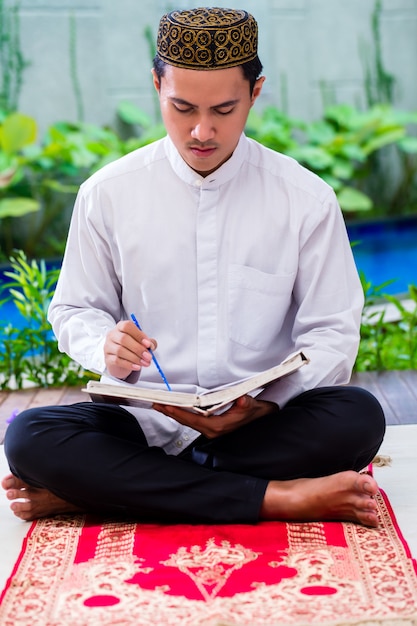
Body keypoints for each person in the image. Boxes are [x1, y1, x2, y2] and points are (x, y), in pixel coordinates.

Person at [2, 7, 385, 527]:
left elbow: (333, 332)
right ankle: (277, 498)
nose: (202, 131)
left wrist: (265, 407)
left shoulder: (305, 198)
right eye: (182, 107)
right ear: (157, 84)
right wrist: (104, 346)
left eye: (224, 109)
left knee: (358, 418)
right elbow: (75, 309)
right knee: (29, 437)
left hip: (258, 426)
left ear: (255, 92)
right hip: (144, 420)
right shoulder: (108, 194)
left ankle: (102, 493)